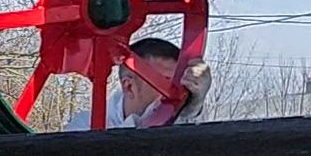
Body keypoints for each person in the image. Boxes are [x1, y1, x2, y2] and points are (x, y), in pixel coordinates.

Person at [64, 36, 212, 130]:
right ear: (129, 86)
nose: (176, 91)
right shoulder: (84, 127)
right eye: (165, 81)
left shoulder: (184, 120)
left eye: (180, 82)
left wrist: (194, 106)